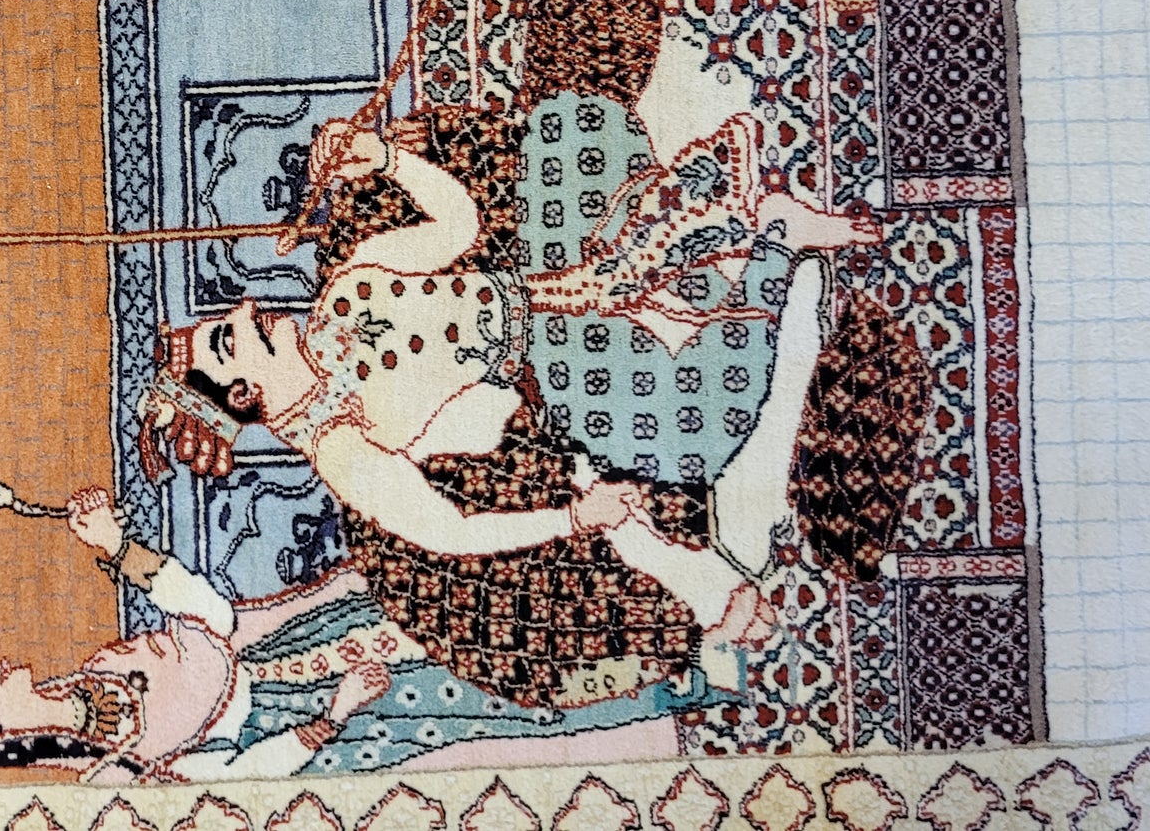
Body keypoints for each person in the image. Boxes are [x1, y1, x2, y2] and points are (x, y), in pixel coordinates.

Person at [139, 111, 875, 706]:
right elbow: (449, 529)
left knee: (599, 171)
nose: (246, 307)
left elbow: (457, 228)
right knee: (705, 412)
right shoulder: (339, 445)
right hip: (562, 374)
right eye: (230, 338)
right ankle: (780, 250)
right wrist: (574, 519)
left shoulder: (345, 284)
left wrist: (387, 161)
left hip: (559, 287)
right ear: (244, 394)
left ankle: (771, 246)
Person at [0, 488, 703, 779]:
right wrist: (335, 715)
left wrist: (119, 549)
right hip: (343, 718)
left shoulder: (99, 667)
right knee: (496, 698)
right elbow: (240, 779)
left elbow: (209, 617)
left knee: (471, 607)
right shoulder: (113, 776)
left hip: (311, 640)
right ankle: (681, 673)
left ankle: (667, 584)